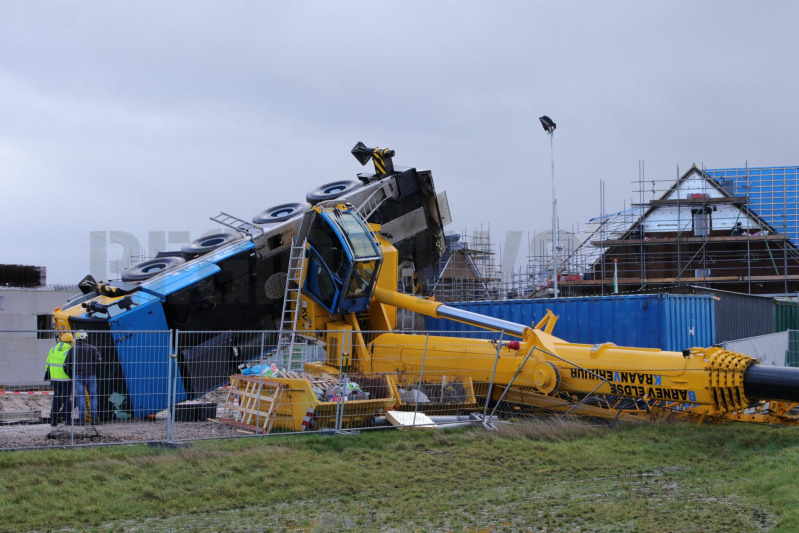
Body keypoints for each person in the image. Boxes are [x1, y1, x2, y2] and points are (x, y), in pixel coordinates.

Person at [64, 331, 102, 426]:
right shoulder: (92, 349)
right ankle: (94, 418)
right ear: (85, 338)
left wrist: (70, 375)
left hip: (78, 376)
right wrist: (96, 372)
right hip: (90, 375)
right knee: (93, 396)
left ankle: (82, 419)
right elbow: (99, 362)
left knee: (81, 397)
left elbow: (66, 365)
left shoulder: (73, 350)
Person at [44, 333, 73, 426]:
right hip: (66, 379)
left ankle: (53, 420)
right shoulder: (70, 350)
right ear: (69, 341)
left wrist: (52, 374)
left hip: (55, 379)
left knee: (56, 398)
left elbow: (47, 364)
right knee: (66, 399)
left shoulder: (52, 349)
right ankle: (68, 421)